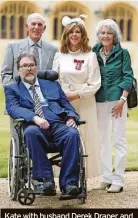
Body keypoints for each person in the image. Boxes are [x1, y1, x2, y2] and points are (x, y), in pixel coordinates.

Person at [4, 53, 81, 196]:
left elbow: (66, 104)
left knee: (72, 133)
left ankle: (69, 183)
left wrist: (72, 116)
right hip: (34, 125)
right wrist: (35, 118)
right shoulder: (12, 89)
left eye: (31, 65)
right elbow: (13, 108)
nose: (28, 69)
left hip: (57, 123)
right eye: (24, 66)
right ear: (19, 70)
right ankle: (45, 180)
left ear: (36, 67)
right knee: (31, 133)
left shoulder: (52, 84)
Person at [52, 15, 102, 187]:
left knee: (84, 137)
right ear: (66, 35)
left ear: (83, 35)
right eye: (71, 32)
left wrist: (78, 94)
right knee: (65, 137)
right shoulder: (60, 55)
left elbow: (95, 82)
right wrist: (61, 96)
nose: (74, 35)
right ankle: (66, 178)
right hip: (63, 103)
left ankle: (82, 177)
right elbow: (53, 80)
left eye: (78, 32)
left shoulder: (90, 55)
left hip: (84, 101)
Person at [93, 19, 134, 193]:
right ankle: (106, 176)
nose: (105, 36)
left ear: (115, 35)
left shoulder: (123, 53)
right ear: (98, 35)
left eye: (109, 33)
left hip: (118, 101)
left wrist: (122, 100)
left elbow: (128, 77)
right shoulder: (93, 52)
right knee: (103, 140)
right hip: (100, 99)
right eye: (102, 32)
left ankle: (118, 179)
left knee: (118, 139)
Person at [1, 13, 57, 87]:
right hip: (19, 95)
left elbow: (55, 75)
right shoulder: (13, 47)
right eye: (33, 24)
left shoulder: (53, 50)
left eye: (39, 24)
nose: (36, 27)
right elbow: (6, 74)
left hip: (45, 96)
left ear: (44, 28)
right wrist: (15, 91)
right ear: (27, 27)